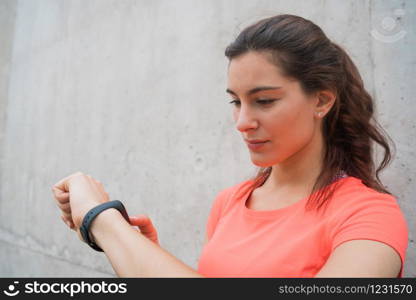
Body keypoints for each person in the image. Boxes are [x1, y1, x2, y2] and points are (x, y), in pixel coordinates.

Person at [52, 14, 408, 278]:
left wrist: (101, 220)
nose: (242, 122)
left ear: (321, 101)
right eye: (236, 102)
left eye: (264, 101)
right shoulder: (230, 202)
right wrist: (143, 254)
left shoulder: (368, 216)